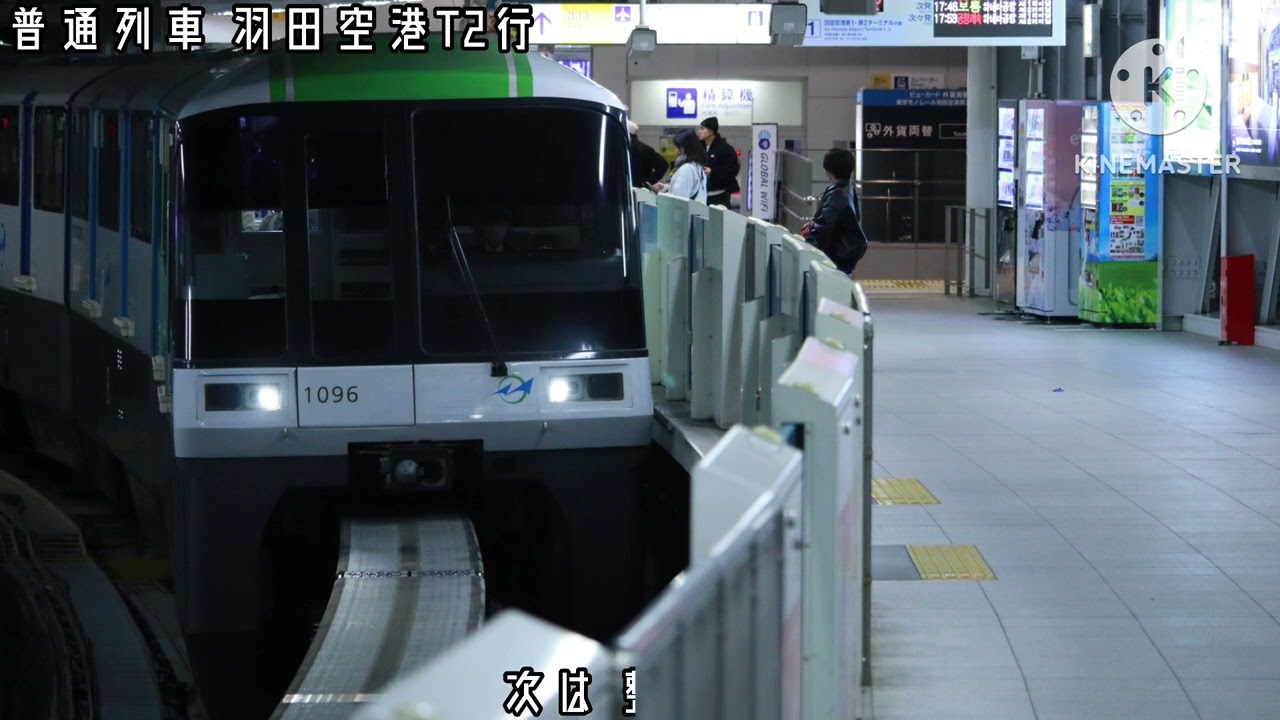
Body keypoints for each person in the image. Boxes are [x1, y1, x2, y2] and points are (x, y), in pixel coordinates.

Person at [802, 148, 869, 276]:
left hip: (835, 260)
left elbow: (823, 230)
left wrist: (804, 245)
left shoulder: (836, 196)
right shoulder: (848, 188)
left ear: (829, 170)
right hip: (844, 259)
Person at [652, 128, 706, 203]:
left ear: (684, 148)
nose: (675, 151)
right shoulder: (698, 167)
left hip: (684, 213)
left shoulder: (686, 169)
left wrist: (661, 195)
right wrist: (668, 188)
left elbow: (678, 201)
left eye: (678, 148)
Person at [695, 117, 740, 208]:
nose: (699, 131)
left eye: (702, 129)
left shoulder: (725, 149)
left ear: (711, 132)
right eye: (699, 129)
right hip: (701, 195)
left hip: (719, 195)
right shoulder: (699, 148)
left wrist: (713, 172)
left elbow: (732, 170)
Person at [628, 120, 669, 189]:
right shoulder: (623, 149)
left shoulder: (644, 150)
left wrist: (648, 182)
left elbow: (663, 164)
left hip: (640, 191)